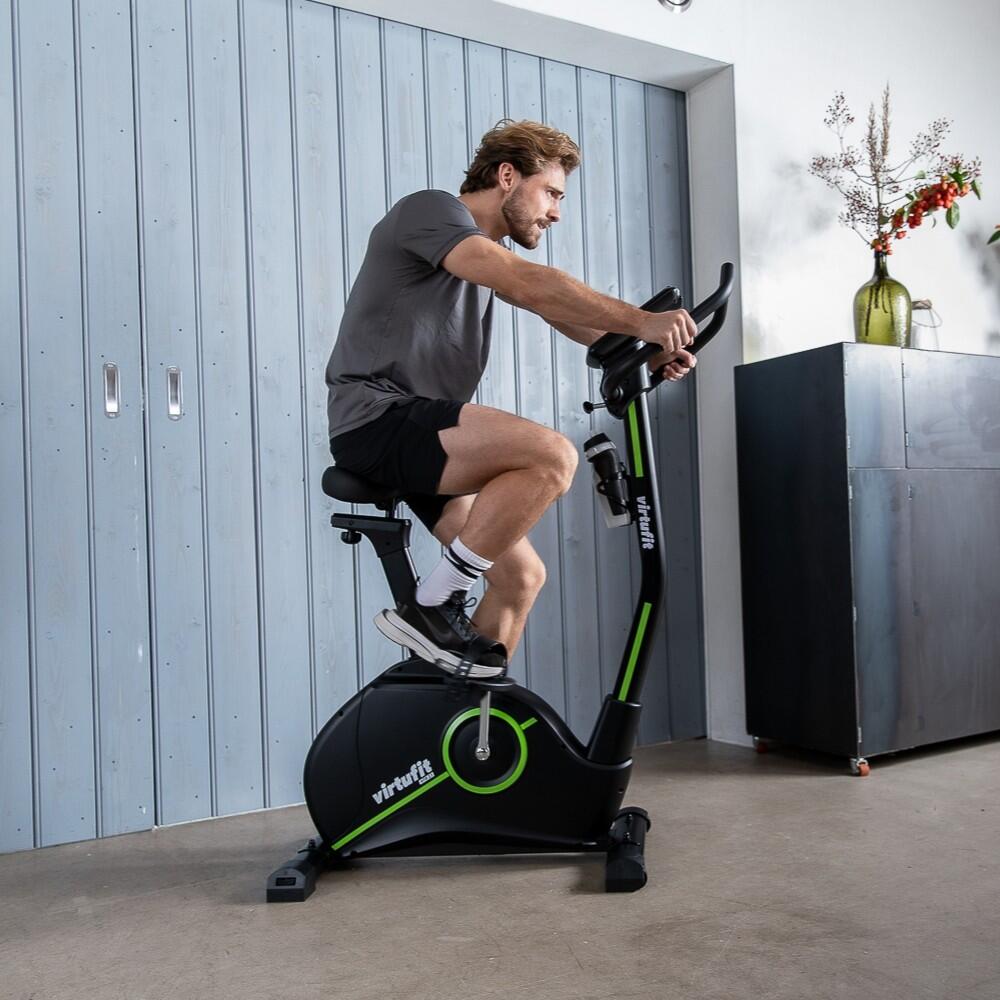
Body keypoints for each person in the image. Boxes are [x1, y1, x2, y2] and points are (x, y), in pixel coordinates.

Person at [326, 119, 695, 679]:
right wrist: (643, 321)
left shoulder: (484, 260)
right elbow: (530, 283)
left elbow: (559, 309)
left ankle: (460, 719)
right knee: (552, 456)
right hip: (378, 419)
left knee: (521, 578)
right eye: (552, 193)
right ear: (506, 176)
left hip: (425, 440)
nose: (556, 213)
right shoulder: (430, 212)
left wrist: (643, 355)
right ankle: (433, 604)